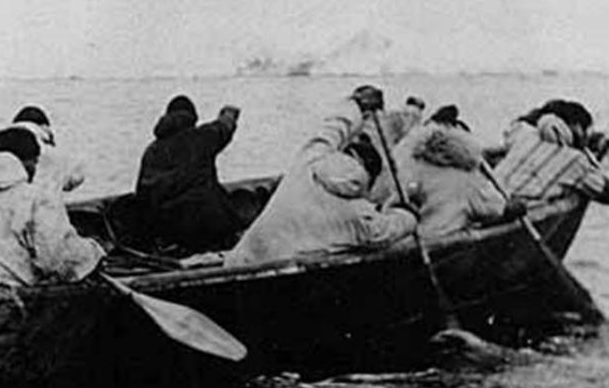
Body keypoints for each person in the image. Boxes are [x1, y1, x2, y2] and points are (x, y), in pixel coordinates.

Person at [227, 91, 417, 266]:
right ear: (369, 179)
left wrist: (356, 104)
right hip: (281, 281)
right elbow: (386, 231)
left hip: (239, 261)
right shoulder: (358, 216)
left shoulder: (310, 161)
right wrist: (407, 214)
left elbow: (332, 129)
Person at [0, 126, 106, 288]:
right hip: (13, 293)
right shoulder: (34, 197)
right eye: (35, 162)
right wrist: (93, 254)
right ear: (26, 162)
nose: (35, 169)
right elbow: (55, 259)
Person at [381, 105, 521, 238]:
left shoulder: (416, 167)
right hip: (440, 237)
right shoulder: (469, 178)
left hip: (411, 236)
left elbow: (394, 203)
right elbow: (494, 209)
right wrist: (513, 208)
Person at [134, 95, 244, 252]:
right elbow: (223, 127)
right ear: (192, 118)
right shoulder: (202, 137)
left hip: (168, 230)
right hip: (207, 224)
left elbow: (143, 196)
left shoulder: (151, 151)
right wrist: (229, 113)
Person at [491, 99, 609, 205]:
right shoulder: (575, 160)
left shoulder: (523, 134)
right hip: (514, 208)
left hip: (488, 199)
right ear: (576, 127)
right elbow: (608, 192)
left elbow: (522, 124)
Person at [10, 105, 85, 195]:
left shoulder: (0, 143)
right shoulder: (52, 151)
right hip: (47, 205)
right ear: (44, 125)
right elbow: (75, 178)